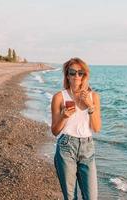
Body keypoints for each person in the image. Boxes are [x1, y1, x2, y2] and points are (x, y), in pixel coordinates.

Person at [51, 57, 101, 200]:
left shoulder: (94, 97)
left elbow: (96, 128)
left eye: (80, 73)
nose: (76, 76)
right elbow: (54, 131)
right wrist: (64, 117)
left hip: (87, 147)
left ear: (85, 75)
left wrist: (90, 106)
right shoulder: (59, 97)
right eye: (72, 72)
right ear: (67, 75)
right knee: (70, 197)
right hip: (66, 146)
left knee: (91, 197)